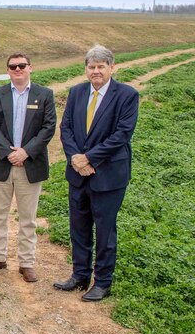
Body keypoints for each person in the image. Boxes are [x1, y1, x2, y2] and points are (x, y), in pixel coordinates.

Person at [54, 45, 139, 301]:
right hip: (78, 174)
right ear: (86, 69)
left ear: (112, 68)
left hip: (108, 176)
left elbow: (122, 135)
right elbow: (66, 127)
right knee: (78, 227)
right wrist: (75, 159)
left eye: (101, 66)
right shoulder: (77, 92)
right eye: (91, 67)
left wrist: (89, 158)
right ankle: (79, 275)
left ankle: (102, 282)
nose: (96, 71)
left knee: (104, 230)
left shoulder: (126, 95)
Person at [0, 53, 57, 280]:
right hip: (1, 163)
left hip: (30, 164)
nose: (17, 69)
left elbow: (48, 128)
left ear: (30, 68)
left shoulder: (44, 95)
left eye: (22, 66)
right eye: (13, 66)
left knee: (28, 217)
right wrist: (9, 153)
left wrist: (26, 152)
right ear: (7, 70)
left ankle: (26, 262)